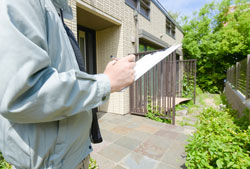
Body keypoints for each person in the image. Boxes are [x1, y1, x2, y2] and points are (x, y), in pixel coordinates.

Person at [0, 0, 135, 169]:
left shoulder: (56, 12)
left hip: (73, 156)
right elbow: (22, 94)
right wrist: (106, 82)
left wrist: (108, 79)